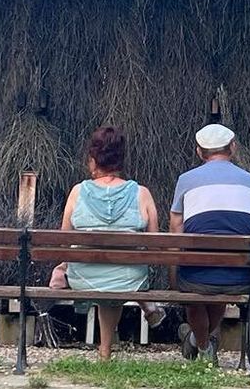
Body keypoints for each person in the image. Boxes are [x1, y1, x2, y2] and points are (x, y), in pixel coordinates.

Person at [170, 124, 250, 365]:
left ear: (199, 152)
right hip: (241, 278)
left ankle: (201, 345)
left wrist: (173, 273)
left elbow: (175, 230)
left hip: (197, 276)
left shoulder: (186, 180)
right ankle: (199, 343)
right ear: (232, 148)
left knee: (195, 289)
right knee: (219, 283)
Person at [60, 126, 162, 361]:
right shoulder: (141, 193)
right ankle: (145, 305)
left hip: (83, 276)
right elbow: (155, 246)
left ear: (93, 160)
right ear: (120, 160)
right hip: (129, 278)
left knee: (107, 277)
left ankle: (105, 350)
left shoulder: (77, 192)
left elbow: (64, 239)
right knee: (119, 276)